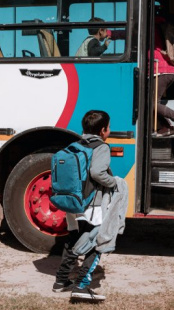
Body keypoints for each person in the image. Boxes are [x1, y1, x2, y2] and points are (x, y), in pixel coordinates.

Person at [53, 110, 117, 302]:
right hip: (91, 204)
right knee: (95, 242)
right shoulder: (101, 147)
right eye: (109, 127)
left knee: (74, 239)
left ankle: (61, 281)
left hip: (73, 202)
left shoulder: (74, 145)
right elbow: (97, 172)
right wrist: (113, 182)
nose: (109, 130)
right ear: (103, 130)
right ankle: (82, 284)